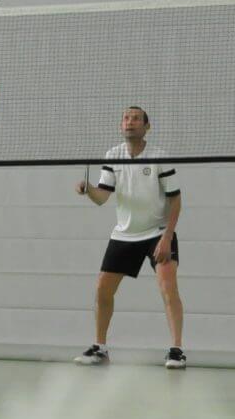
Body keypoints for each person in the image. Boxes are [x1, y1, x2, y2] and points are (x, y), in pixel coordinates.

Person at [73, 105, 185, 368]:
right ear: (121, 125)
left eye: (136, 118)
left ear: (147, 126)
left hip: (158, 232)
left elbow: (176, 201)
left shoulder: (159, 157)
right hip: (125, 234)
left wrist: (167, 237)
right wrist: (88, 189)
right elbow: (102, 197)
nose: (130, 122)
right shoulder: (113, 155)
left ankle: (176, 350)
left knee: (168, 287)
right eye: (126, 118)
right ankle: (100, 348)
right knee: (103, 288)